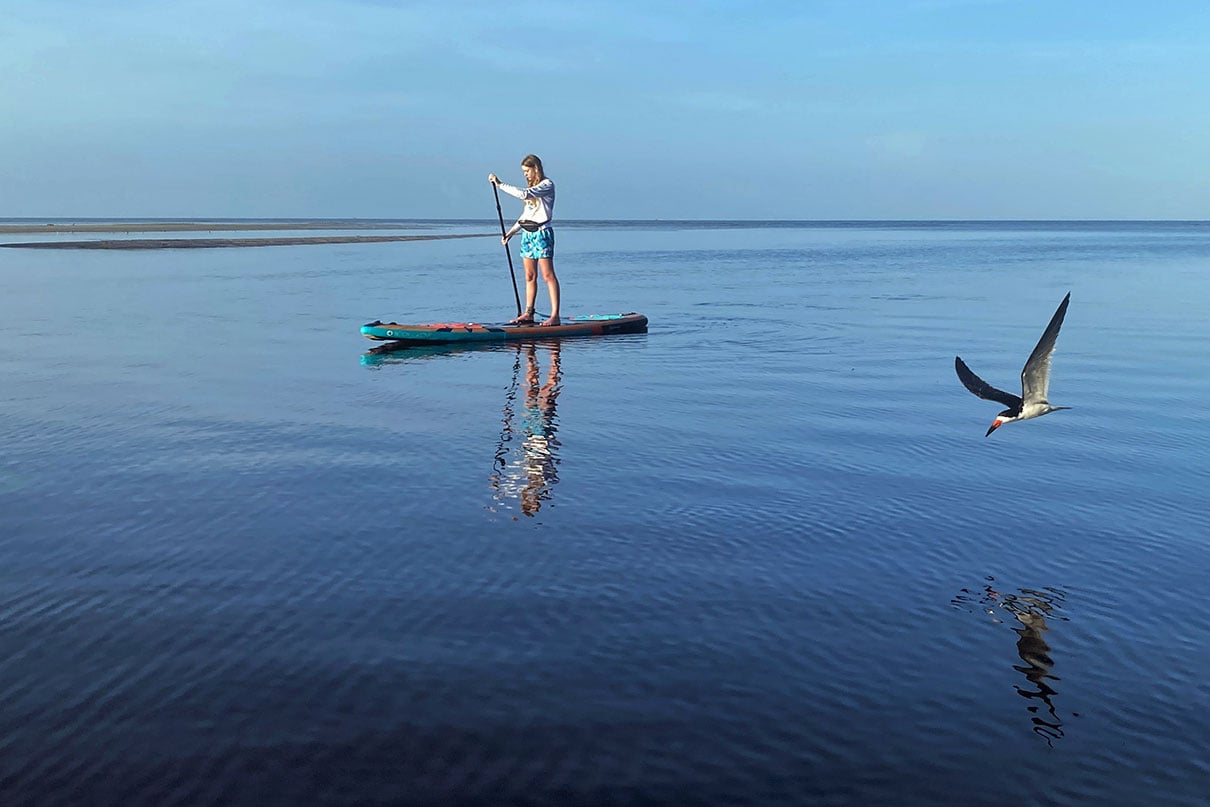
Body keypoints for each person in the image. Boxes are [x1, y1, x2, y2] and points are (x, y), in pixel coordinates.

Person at [488, 154, 560, 326]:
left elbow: (524, 194)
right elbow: (525, 216)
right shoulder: (532, 188)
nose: (525, 174)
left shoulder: (546, 185)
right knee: (529, 276)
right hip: (528, 234)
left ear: (535, 168)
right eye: (523, 172)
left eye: (527, 171)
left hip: (542, 233)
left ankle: (555, 315)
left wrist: (500, 184)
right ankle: (528, 313)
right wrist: (511, 233)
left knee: (547, 275)